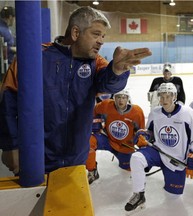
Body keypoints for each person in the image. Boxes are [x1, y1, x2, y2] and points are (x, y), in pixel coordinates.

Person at [0, 6, 152, 174]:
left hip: (76, 160)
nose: (101, 41)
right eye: (96, 34)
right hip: (36, 158)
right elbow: (8, 102)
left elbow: (108, 85)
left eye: (103, 36)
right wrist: (10, 145)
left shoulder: (96, 62)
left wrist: (117, 71)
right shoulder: (36, 56)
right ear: (75, 33)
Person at [125, 83, 193, 213]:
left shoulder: (188, 113)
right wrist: (143, 135)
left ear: (174, 97)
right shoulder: (155, 113)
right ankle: (139, 194)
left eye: (168, 96)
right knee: (136, 158)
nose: (164, 100)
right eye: (162, 96)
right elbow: (150, 132)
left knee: (173, 196)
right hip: (157, 151)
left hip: (176, 159)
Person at [86, 89, 145, 184]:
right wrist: (96, 122)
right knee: (88, 142)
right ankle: (92, 171)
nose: (121, 100)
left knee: (127, 168)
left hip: (125, 147)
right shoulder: (106, 105)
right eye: (118, 97)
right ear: (114, 98)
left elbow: (141, 133)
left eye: (123, 97)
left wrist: (142, 146)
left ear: (128, 99)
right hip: (107, 140)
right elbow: (93, 111)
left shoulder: (136, 112)